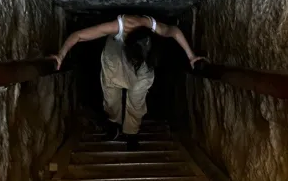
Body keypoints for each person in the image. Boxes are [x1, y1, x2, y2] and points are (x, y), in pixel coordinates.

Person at [51, 15, 205, 149]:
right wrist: (60, 55)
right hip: (115, 63)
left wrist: (191, 57)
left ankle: (131, 133)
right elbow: (78, 35)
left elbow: (174, 31)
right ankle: (114, 124)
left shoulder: (151, 26)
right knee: (111, 99)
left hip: (142, 69)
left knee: (137, 99)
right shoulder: (118, 25)